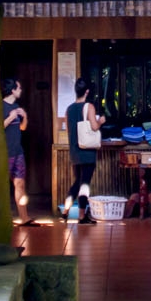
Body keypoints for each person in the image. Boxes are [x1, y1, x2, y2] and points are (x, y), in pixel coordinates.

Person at [62, 77, 104, 222]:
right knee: (85, 183)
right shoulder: (89, 107)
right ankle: (81, 215)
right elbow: (94, 127)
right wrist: (101, 121)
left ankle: (66, 210)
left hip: (74, 151)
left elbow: (68, 130)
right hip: (86, 151)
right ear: (87, 91)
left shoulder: (69, 109)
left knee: (77, 182)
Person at [2, 77, 30, 226]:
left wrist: (24, 116)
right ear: (12, 90)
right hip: (5, 153)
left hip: (18, 151)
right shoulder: (1, 106)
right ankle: (3, 218)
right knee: (2, 186)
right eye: (18, 88)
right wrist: (10, 117)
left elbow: (22, 128)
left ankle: (24, 218)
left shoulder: (17, 106)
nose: (20, 91)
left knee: (20, 184)